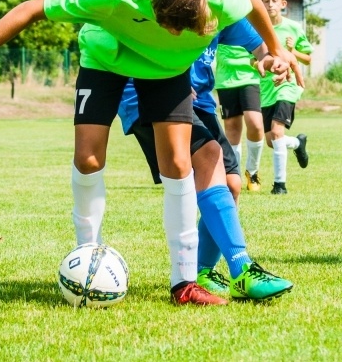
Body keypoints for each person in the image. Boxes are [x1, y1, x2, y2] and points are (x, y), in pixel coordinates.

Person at [0, 0, 301, 305]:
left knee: (181, 163)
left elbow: (253, 3)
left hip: (167, 72)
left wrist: (275, 49)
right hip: (106, 61)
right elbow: (30, 9)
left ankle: (185, 283)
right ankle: (87, 258)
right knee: (87, 159)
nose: (175, 32)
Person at [118, 17, 294, 301]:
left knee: (232, 183)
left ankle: (202, 271)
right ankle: (242, 269)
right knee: (208, 156)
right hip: (146, 95)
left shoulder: (223, 8)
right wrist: (168, 79)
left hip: (199, 101)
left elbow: (261, 48)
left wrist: (272, 60)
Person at [214, 0, 266, 192]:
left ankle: (252, 172)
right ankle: (232, 172)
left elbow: (260, 51)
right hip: (225, 81)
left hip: (248, 79)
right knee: (232, 129)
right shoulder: (221, 19)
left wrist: (257, 62)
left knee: (255, 123)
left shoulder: (248, 22)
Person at [260, 0, 313, 195]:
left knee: (276, 131)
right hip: (266, 87)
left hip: (288, 86)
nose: (270, 4)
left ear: (283, 4)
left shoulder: (293, 28)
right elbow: (252, 58)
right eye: (266, 1)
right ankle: (298, 143)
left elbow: (308, 58)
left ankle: (279, 185)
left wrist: (293, 52)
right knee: (272, 141)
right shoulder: (259, 30)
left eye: (274, 1)